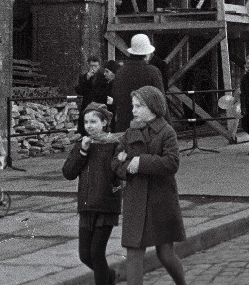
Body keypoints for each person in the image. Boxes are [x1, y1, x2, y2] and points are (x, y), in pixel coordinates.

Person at [111, 86, 187, 285]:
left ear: (153, 107)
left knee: (165, 253)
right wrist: (127, 167)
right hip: (136, 200)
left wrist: (141, 162)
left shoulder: (166, 132)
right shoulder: (130, 132)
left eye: (138, 106)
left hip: (161, 201)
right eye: (133, 106)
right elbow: (116, 161)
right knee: (133, 252)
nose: (134, 110)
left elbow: (172, 163)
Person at [62, 102, 121, 285]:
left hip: (105, 205)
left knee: (96, 253)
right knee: (85, 255)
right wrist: (82, 151)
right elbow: (68, 173)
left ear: (104, 122)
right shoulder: (83, 144)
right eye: (86, 121)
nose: (89, 125)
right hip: (87, 206)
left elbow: (119, 171)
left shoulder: (114, 144)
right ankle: (109, 276)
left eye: (93, 121)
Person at [111, 35, 165, 132]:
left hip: (124, 126)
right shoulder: (152, 71)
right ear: (147, 53)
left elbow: (116, 98)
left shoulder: (120, 72)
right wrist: (166, 127)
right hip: (148, 128)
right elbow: (160, 102)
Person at [74, 56, 109, 135]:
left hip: (100, 106)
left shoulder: (104, 77)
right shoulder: (84, 77)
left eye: (95, 66)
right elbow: (79, 91)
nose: (93, 68)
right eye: (91, 65)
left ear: (99, 66)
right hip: (87, 106)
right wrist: (87, 78)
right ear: (88, 65)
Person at [103, 60, 119, 131]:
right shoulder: (108, 84)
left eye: (107, 71)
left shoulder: (115, 85)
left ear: (113, 72)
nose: (104, 74)